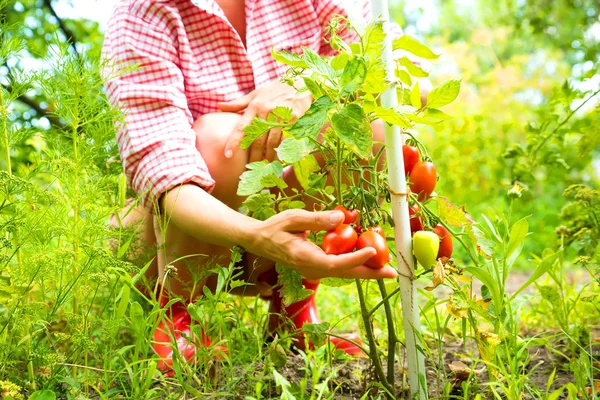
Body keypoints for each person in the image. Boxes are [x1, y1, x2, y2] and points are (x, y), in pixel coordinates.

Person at [102, 0, 404, 373]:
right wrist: (258, 235)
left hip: (278, 230)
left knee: (367, 129)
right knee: (217, 140)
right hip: (178, 235)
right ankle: (175, 317)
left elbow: (401, 77)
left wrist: (307, 86)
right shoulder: (144, 14)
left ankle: (293, 308)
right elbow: (166, 177)